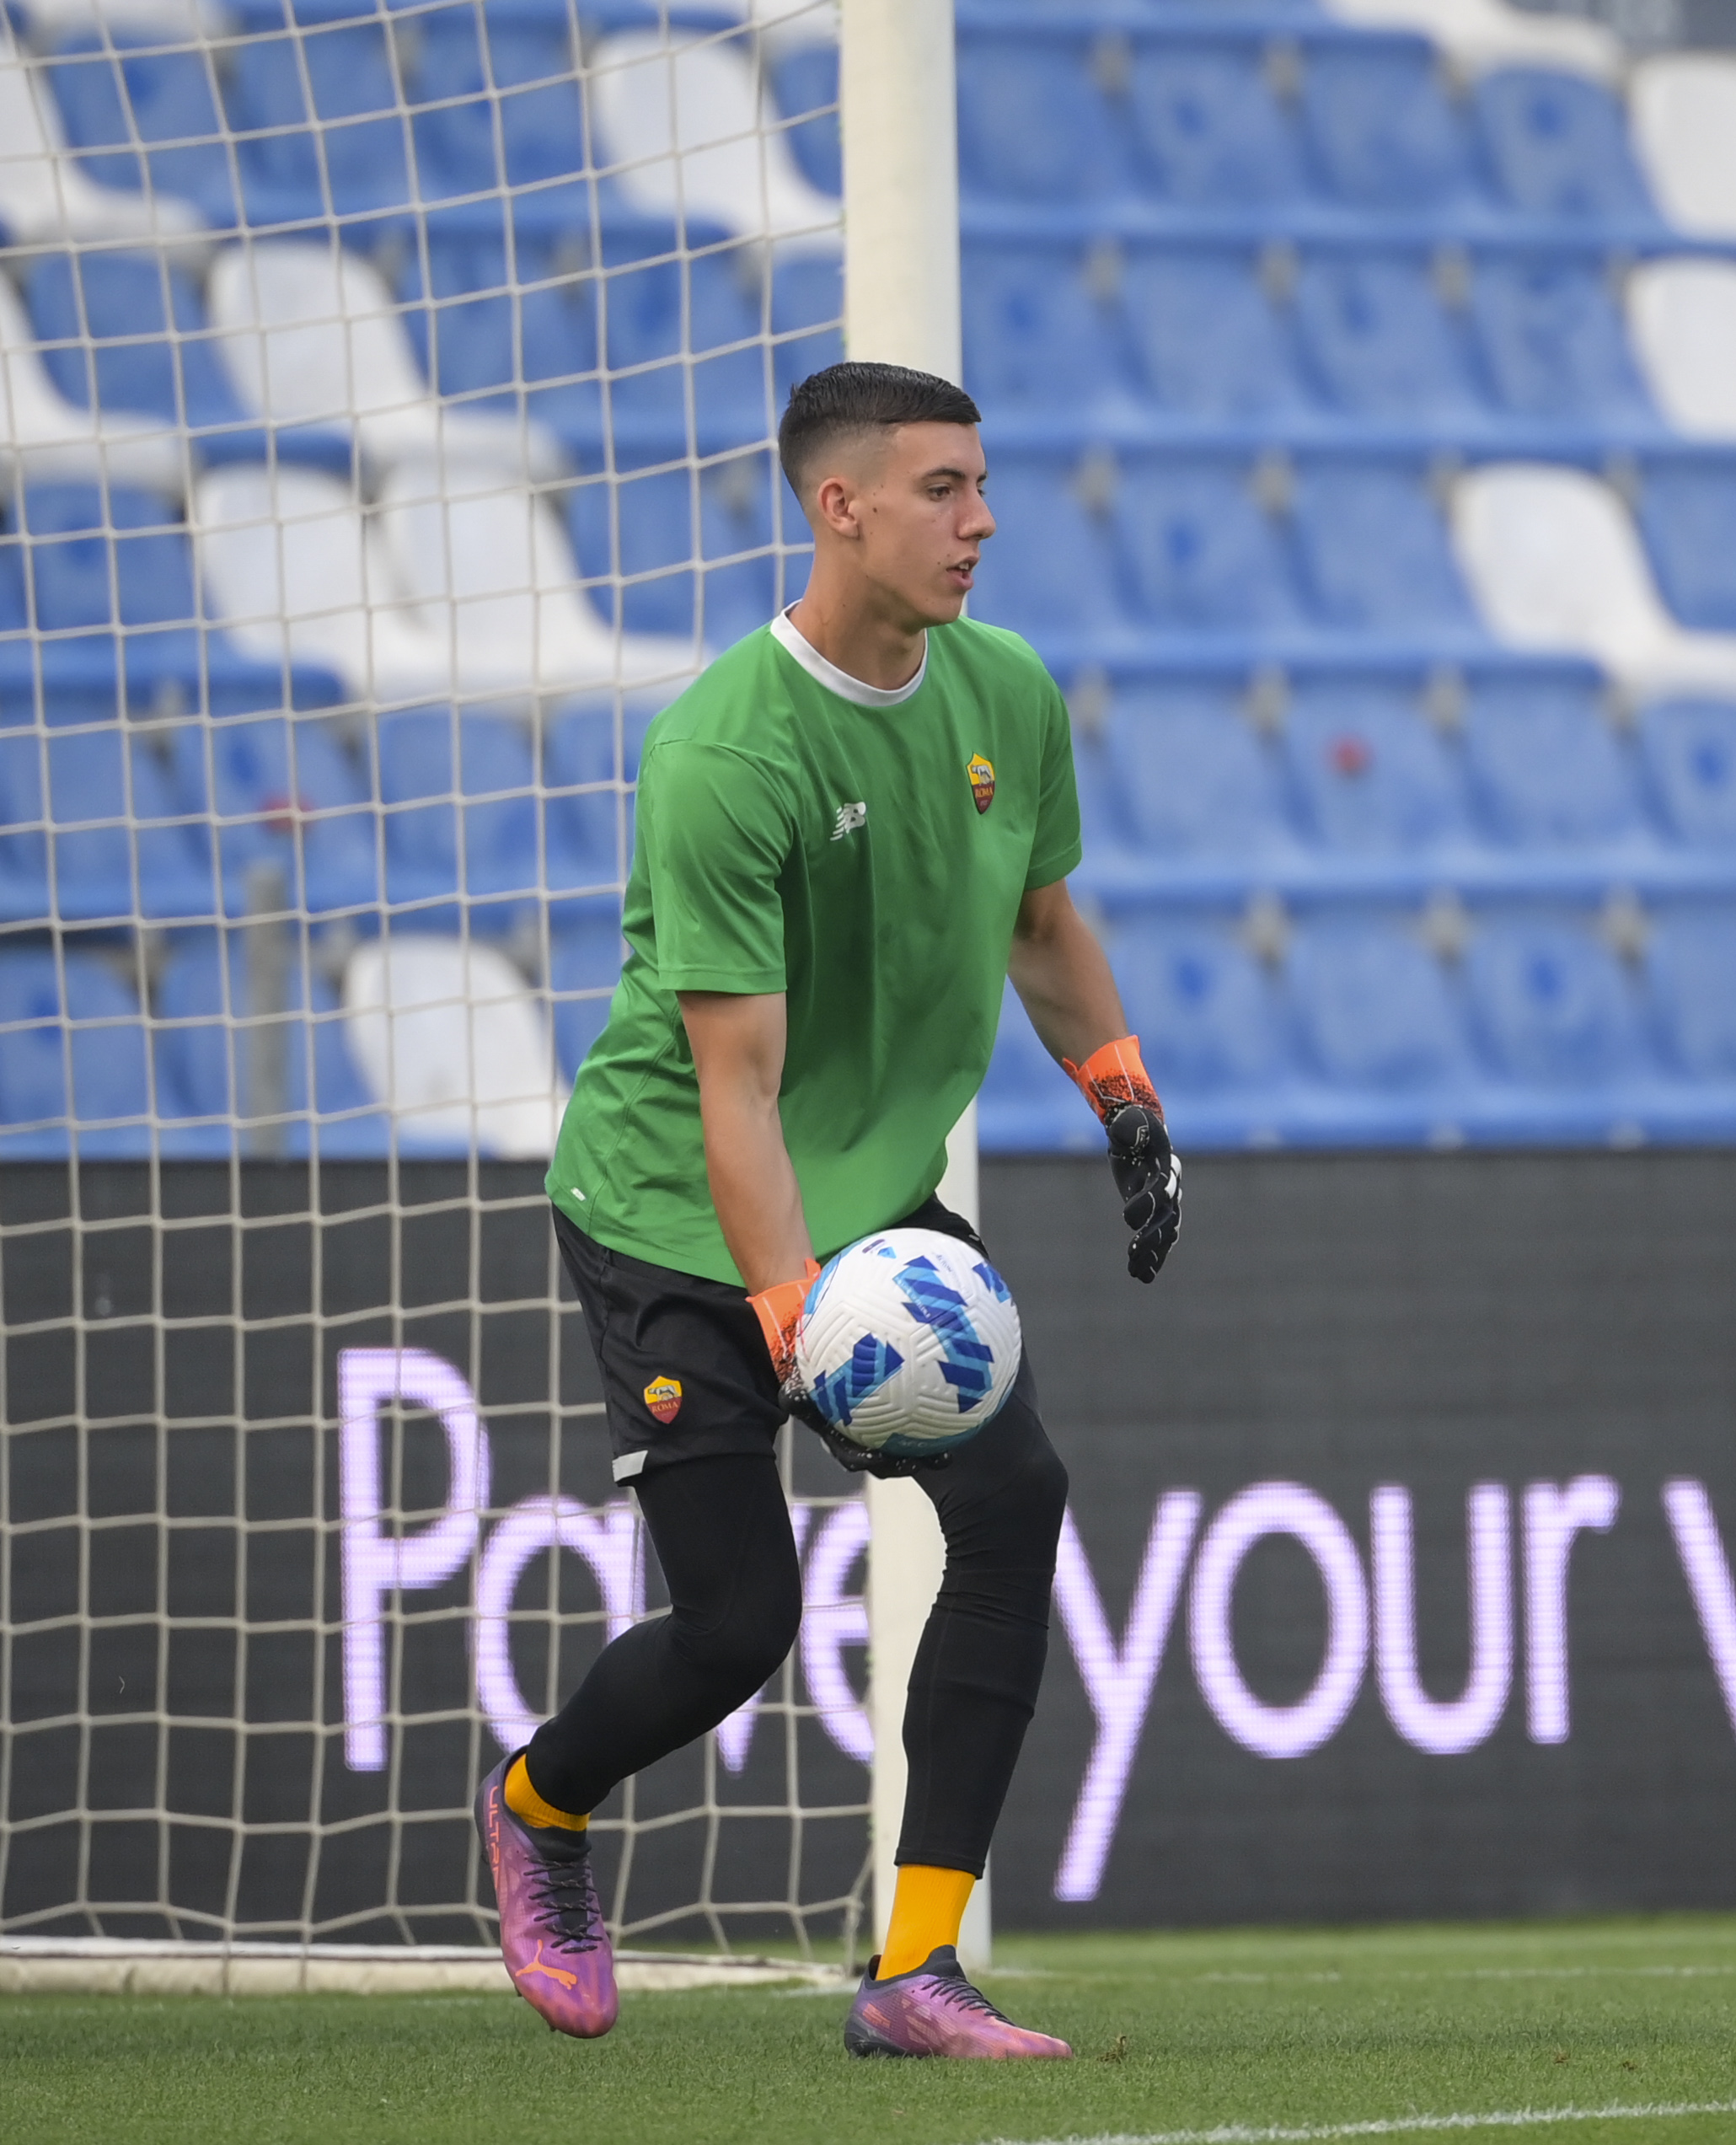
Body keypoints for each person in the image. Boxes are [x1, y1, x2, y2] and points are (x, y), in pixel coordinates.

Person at [480, 362, 1183, 2058]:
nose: (982, 520)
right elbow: (734, 1081)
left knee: (1016, 1500)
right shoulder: (727, 749)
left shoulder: (1006, 694)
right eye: (943, 488)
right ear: (838, 505)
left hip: (873, 1201)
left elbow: (1037, 923)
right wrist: (789, 1302)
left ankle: (916, 1972)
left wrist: (1125, 1093)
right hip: (676, 1208)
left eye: (982, 484)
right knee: (741, 1622)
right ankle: (537, 1804)